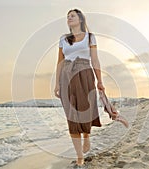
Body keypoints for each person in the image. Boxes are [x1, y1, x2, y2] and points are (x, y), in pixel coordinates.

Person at [54, 9, 105, 167]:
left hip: (85, 74)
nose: (69, 18)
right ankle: (79, 156)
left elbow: (95, 60)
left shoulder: (90, 37)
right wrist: (57, 83)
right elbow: (60, 62)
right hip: (67, 77)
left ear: (80, 19)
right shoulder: (63, 39)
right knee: (71, 116)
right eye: (67, 16)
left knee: (85, 110)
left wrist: (100, 81)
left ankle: (86, 135)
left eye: (72, 16)